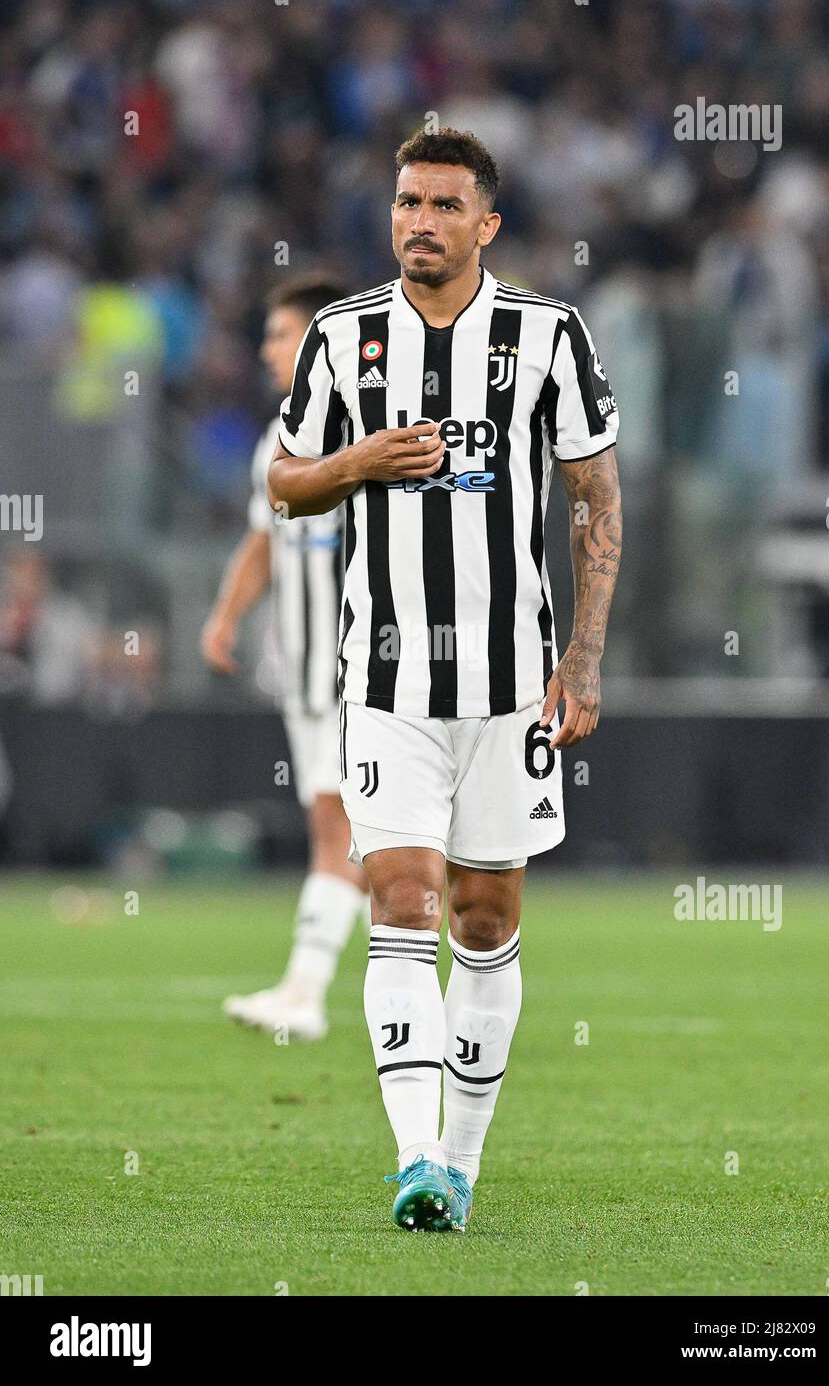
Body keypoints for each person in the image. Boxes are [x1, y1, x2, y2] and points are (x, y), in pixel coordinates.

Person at [268, 129, 622, 1232]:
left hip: (512, 682)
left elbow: (593, 501)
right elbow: (286, 484)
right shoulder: (342, 334)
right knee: (404, 898)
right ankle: (417, 1156)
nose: (417, 220)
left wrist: (585, 655)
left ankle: (459, 1165)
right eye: (405, 201)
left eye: (441, 205)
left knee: (483, 911)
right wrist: (353, 464)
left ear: (486, 224)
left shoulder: (546, 334)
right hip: (383, 681)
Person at [201, 277, 369, 1041]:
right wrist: (226, 615)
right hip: (304, 677)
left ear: (318, 339)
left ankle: (305, 992)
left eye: (280, 333)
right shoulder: (279, 438)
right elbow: (264, 541)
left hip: (365, 672)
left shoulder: (370, 425)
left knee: (346, 834)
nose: (267, 348)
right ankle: (350, 987)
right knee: (352, 837)